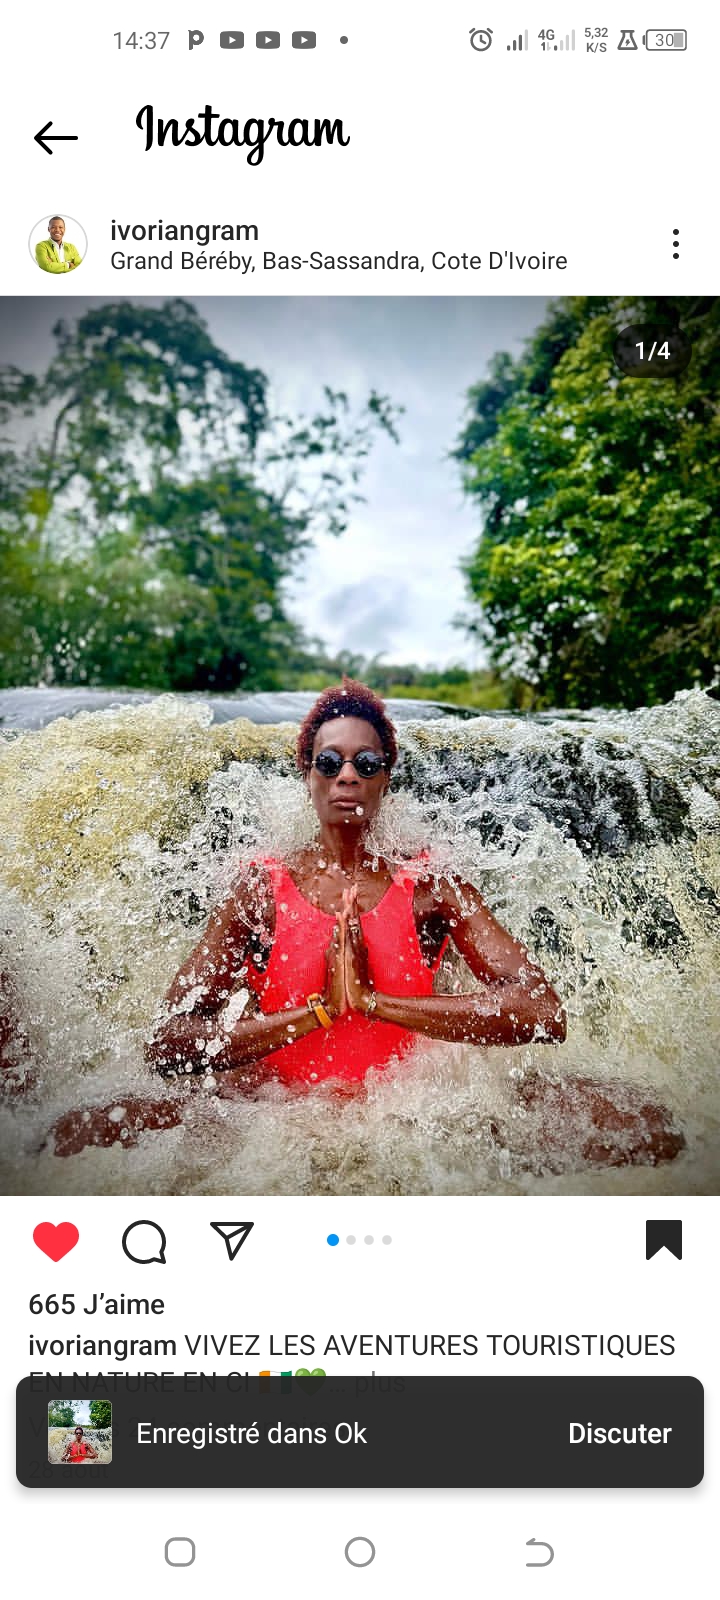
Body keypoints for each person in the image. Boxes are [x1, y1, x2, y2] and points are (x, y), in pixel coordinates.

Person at [48, 679, 683, 1167]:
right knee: (75, 1132)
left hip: (409, 1109)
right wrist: (317, 1014)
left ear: (385, 779)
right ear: (308, 774)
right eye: (329, 762)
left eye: (365, 763)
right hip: (278, 1111)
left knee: (651, 1125)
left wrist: (378, 1003)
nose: (347, 774)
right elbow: (168, 1042)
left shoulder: (432, 886)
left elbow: (542, 1011)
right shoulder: (260, 891)